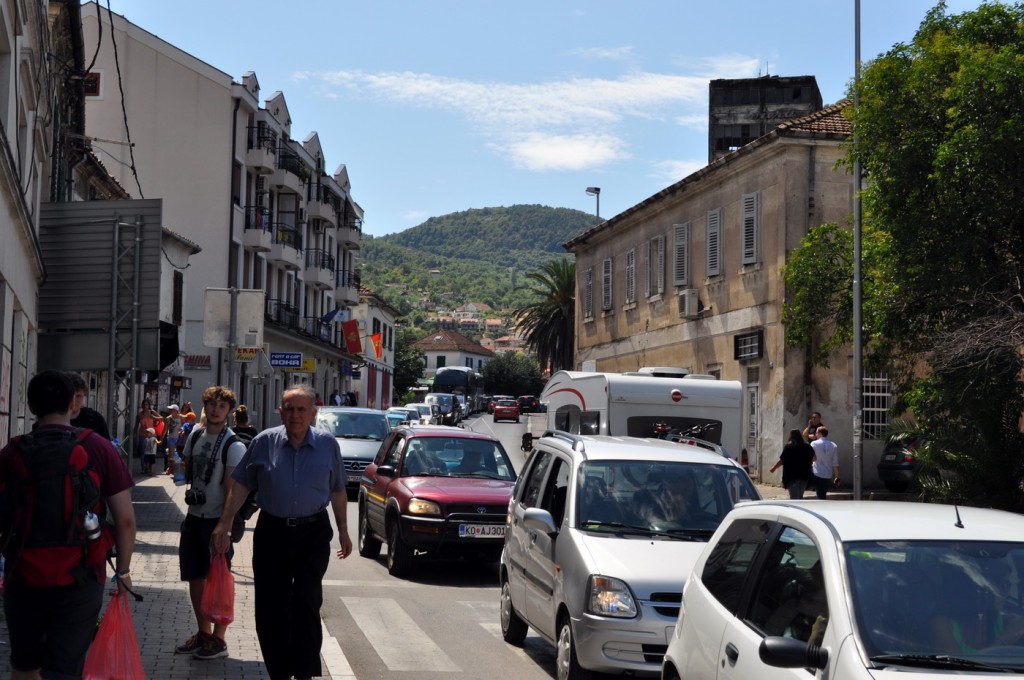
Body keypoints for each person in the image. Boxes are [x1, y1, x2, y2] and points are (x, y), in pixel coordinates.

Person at [0, 370, 136, 680]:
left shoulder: (13, 451)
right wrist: (123, 571)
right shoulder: (98, 447)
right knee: (65, 669)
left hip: (23, 574)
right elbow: (126, 521)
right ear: (73, 404)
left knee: (24, 666)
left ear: (31, 406)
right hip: (82, 576)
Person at [211, 384, 352, 680]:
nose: (295, 415)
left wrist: (343, 530)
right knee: (270, 605)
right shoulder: (264, 442)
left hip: (313, 533)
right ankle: (278, 671)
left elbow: (338, 489)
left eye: (301, 409)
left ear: (313, 413)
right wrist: (224, 523)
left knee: (306, 601)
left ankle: (304, 672)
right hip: (272, 531)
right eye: (289, 408)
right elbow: (242, 485)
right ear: (281, 412)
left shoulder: (328, 444)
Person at [174, 385, 248, 661]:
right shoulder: (196, 435)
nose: (216, 410)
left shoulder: (233, 445)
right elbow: (188, 469)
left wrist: (224, 526)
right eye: (212, 405)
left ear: (229, 411)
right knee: (195, 576)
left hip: (217, 521)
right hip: (195, 516)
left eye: (221, 406)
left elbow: (233, 490)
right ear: (205, 407)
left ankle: (219, 639)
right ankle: (203, 634)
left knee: (218, 580)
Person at [770, 429, 815, 499]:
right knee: (800, 496)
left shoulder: (788, 447)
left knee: (794, 498)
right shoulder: (807, 447)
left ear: (791, 437)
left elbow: (782, 460)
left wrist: (774, 468)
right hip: (804, 476)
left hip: (792, 476)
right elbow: (814, 458)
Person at [67, 372, 112, 440]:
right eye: (69, 395)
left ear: (84, 395)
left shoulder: (96, 419)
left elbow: (106, 447)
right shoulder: (51, 419)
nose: (73, 400)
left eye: (78, 396)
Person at [810, 426, 840, 499]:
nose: (816, 434)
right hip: (828, 474)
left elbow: (812, 458)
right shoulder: (833, 445)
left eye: (816, 432)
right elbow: (835, 462)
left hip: (817, 473)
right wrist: (837, 476)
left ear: (820, 433)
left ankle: (821, 508)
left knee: (819, 494)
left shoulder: (813, 444)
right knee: (823, 493)